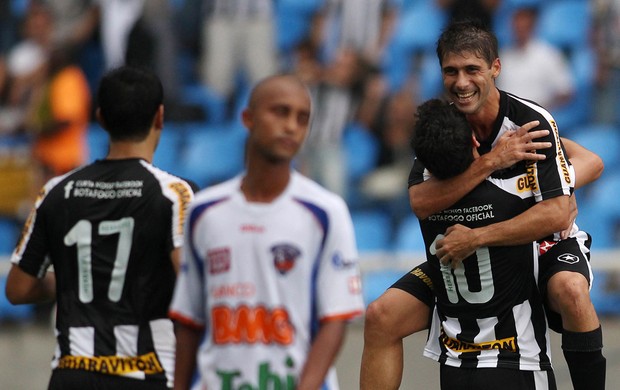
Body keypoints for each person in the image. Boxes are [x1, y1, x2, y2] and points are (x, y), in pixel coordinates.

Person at [361, 19, 606, 390]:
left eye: (472, 69)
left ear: (495, 67)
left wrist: (478, 235)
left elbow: (560, 207)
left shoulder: (530, 122)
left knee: (571, 291)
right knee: (381, 315)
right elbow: (420, 200)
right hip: (470, 255)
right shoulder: (444, 125)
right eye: (451, 71)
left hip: (542, 243)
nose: (461, 83)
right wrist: (490, 163)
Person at [168, 74, 365, 390]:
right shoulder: (205, 211)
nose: (291, 126)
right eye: (280, 112)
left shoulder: (326, 212)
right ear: (248, 118)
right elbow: (189, 321)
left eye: (302, 119)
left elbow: (335, 320)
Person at [5, 66, 196, 389]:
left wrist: (71, 280)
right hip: (145, 372)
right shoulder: (174, 194)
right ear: (160, 117)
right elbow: (192, 285)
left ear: (100, 118)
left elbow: (18, 289)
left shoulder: (57, 190)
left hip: (72, 374)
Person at [411, 98, 557, 389]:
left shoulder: (428, 201)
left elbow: (418, 200)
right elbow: (590, 166)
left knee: (381, 316)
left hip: (455, 359)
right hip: (517, 357)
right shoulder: (512, 196)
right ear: (476, 141)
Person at [496, 5, 575, 111]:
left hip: (536, 117)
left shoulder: (548, 55)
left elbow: (565, 91)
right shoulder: (503, 56)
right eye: (517, 25)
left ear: (532, 26)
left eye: (524, 26)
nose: (520, 29)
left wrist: (542, 109)